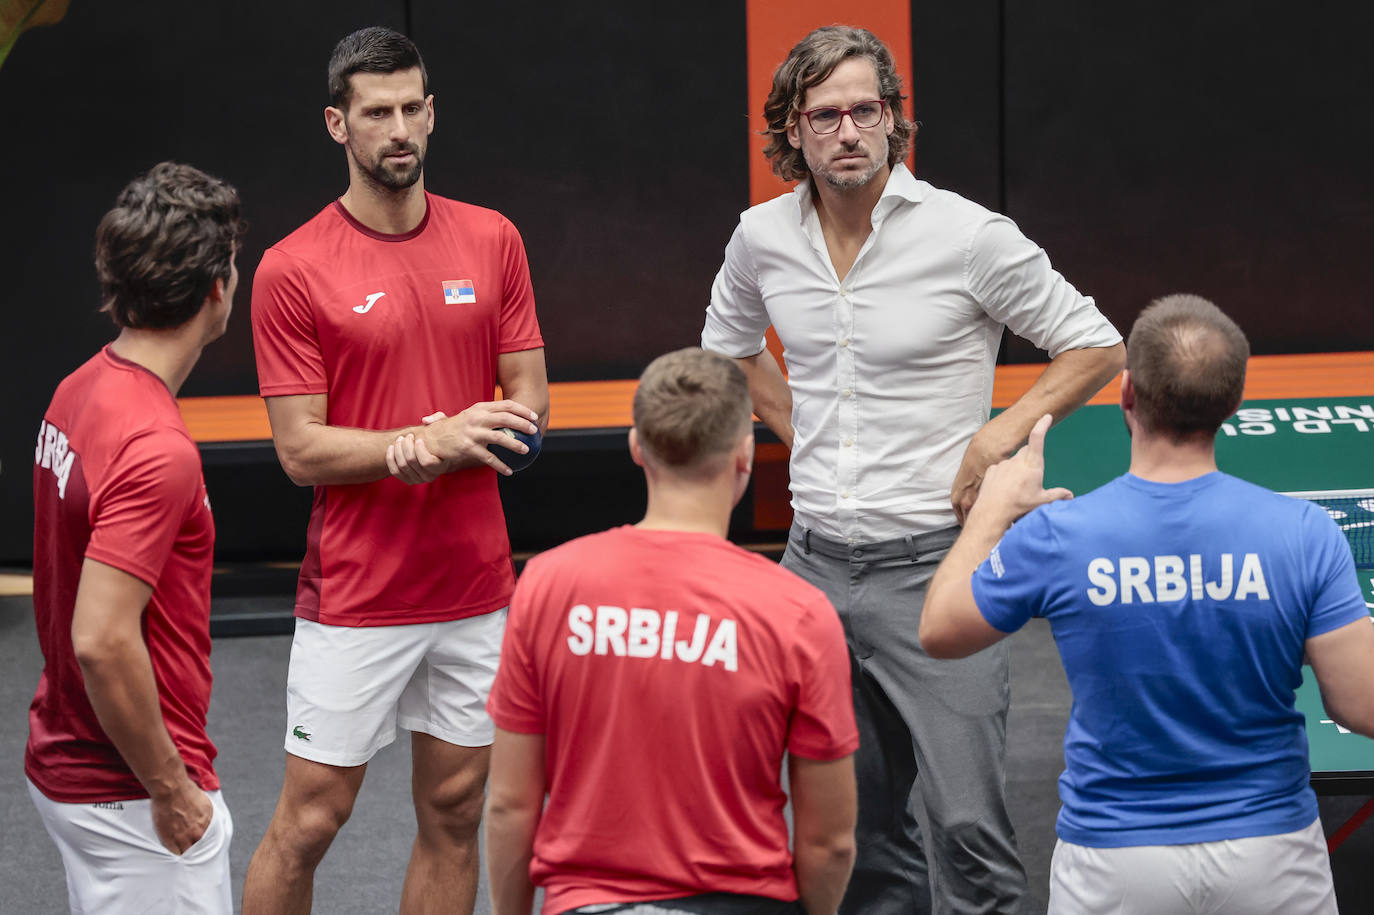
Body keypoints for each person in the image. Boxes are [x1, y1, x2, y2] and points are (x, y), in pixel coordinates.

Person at [700, 24, 1126, 915]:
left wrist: (996, 436)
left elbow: (1094, 344)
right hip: (812, 570)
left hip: (939, 565)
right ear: (793, 129)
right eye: (826, 115)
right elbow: (732, 350)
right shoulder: (760, 239)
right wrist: (801, 428)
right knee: (846, 827)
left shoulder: (969, 235)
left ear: (895, 120)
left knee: (968, 824)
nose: (849, 130)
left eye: (867, 109)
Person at [920, 295, 1374, 915]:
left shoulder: (1059, 535)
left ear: (1127, 394)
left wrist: (990, 515)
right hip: (1271, 851)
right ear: (1235, 404)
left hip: (1113, 862)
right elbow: (1359, 704)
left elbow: (938, 631)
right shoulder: (1306, 532)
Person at [243, 26, 548, 915]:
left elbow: (529, 395)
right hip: (358, 592)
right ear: (338, 124)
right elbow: (299, 450)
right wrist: (413, 446)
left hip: (473, 585)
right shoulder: (292, 268)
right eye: (378, 112)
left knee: (454, 812)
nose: (400, 128)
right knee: (309, 821)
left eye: (414, 107)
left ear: (432, 113)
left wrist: (493, 431)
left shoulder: (492, 239)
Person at [484, 347, 859, 915]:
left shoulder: (547, 586)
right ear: (744, 456)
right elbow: (828, 843)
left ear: (637, 447)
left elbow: (511, 805)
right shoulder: (799, 612)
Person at [26, 161, 246, 914]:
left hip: (77, 766)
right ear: (218, 289)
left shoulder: (79, 386)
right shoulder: (157, 448)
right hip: (128, 796)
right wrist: (172, 790)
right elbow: (101, 638)